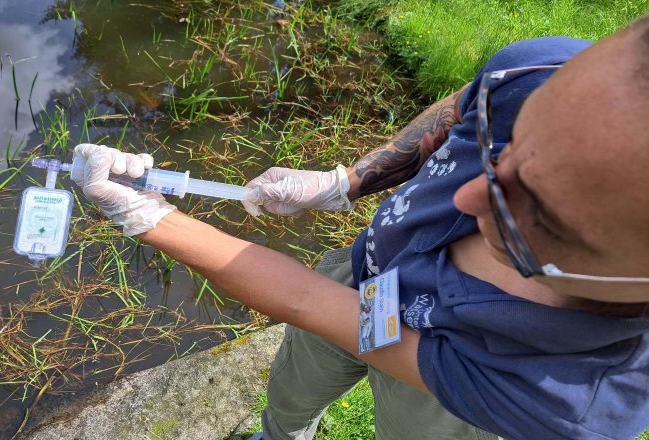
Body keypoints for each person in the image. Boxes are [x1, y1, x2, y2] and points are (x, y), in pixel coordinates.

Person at [70, 14, 649, 440]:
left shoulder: (568, 399)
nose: (469, 193)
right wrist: (346, 181)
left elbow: (303, 299)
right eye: (509, 144)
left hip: (442, 384)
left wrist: (143, 215)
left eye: (539, 216)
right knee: (292, 394)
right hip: (367, 274)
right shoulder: (548, 73)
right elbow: (466, 106)